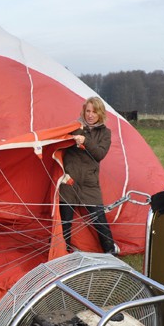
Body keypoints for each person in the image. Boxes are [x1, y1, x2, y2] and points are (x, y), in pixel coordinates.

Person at [58, 96, 118, 254]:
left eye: (94, 112)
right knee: (64, 223)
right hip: (69, 181)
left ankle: (110, 252)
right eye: (88, 111)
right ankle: (63, 254)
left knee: (99, 221)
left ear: (100, 113)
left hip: (90, 183)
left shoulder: (105, 133)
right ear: (83, 111)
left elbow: (99, 154)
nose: (90, 115)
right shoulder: (74, 127)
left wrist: (85, 141)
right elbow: (56, 143)